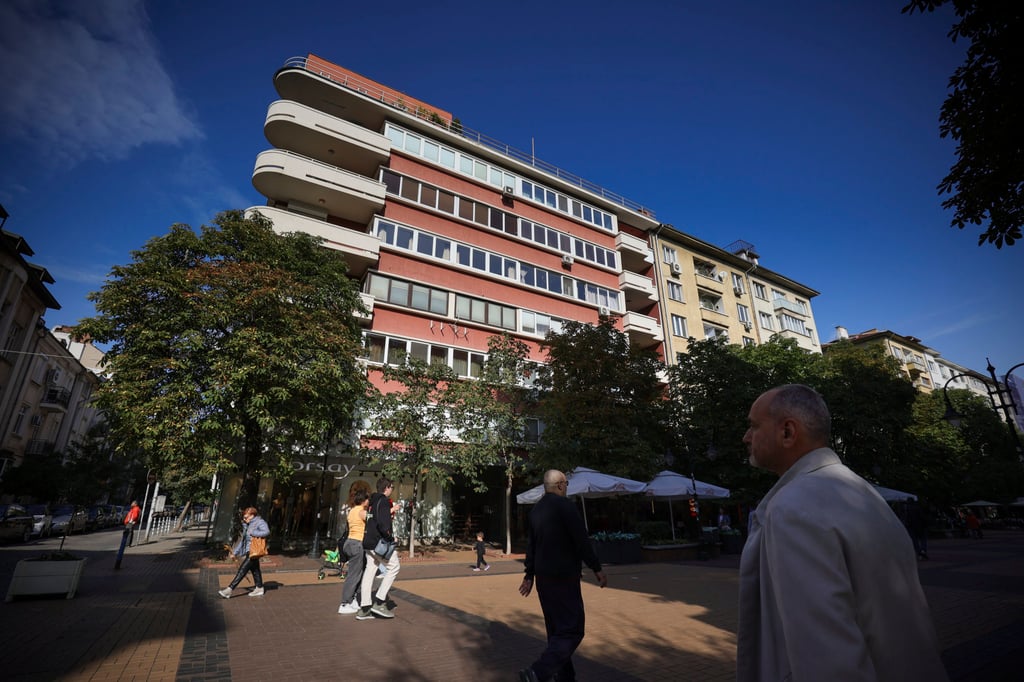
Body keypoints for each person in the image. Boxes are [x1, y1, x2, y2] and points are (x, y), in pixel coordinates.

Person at [738, 384, 947, 681]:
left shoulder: (794, 506)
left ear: (787, 432)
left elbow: (825, 654)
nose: (746, 437)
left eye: (754, 426)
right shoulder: (863, 493)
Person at [518, 470, 607, 682]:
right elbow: (581, 540)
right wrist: (596, 568)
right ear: (559, 485)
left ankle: (565, 677)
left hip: (543, 579)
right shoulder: (566, 506)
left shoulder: (536, 511)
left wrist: (529, 575)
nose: (566, 487)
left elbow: (532, 547)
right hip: (564, 577)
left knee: (556, 630)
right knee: (573, 630)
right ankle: (538, 672)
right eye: (566, 484)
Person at [357, 477, 400, 619]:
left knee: (370, 570)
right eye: (392, 487)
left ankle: (364, 608)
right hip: (378, 543)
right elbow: (383, 524)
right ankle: (380, 602)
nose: (392, 490)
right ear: (386, 487)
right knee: (394, 567)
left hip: (368, 542)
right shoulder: (383, 502)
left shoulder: (372, 501)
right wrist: (390, 537)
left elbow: (373, 519)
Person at [219, 506, 270, 599]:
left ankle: (229, 589)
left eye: (246, 517)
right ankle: (259, 588)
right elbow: (243, 541)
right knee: (255, 570)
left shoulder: (259, 522)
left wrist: (254, 533)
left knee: (242, 570)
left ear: (252, 515)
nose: (244, 519)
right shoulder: (248, 524)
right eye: (244, 517)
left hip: (254, 551)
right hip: (249, 551)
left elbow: (266, 532)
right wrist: (235, 552)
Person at [337, 490, 370, 614]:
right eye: (367, 499)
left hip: (349, 543)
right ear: (363, 500)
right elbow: (374, 521)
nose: (368, 501)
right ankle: (345, 603)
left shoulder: (352, 511)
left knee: (358, 573)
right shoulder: (362, 512)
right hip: (357, 544)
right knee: (354, 575)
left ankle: (352, 600)